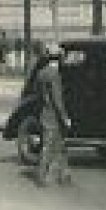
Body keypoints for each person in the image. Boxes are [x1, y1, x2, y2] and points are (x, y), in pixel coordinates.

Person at [32, 44, 72, 188]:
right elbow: (57, 99)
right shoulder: (54, 75)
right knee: (50, 147)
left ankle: (64, 175)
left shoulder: (41, 73)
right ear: (58, 58)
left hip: (45, 114)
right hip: (53, 117)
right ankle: (41, 177)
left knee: (59, 146)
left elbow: (37, 95)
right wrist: (65, 117)